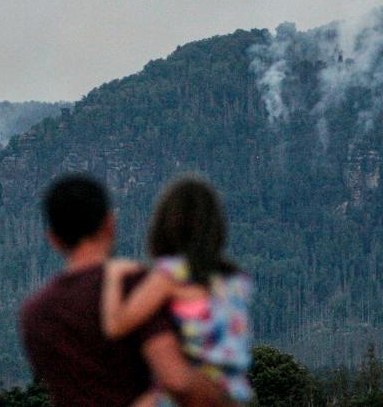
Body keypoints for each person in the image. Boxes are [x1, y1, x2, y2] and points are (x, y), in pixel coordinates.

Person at [19, 173, 229, 407]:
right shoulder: (134, 285)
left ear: (53, 239)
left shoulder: (34, 312)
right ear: (109, 224)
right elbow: (177, 380)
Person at [103, 174, 253, 405]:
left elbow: (116, 325)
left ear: (165, 225)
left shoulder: (170, 275)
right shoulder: (235, 281)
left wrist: (113, 275)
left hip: (185, 390)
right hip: (229, 394)